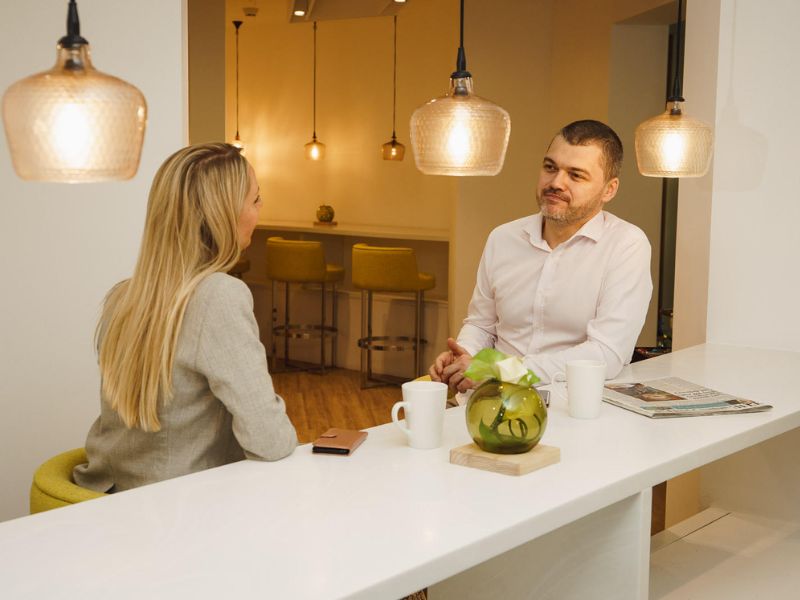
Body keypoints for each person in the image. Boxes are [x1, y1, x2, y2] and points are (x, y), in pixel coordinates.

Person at [74, 143, 298, 492]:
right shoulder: (218, 296)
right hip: (174, 513)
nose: (260, 210)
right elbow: (270, 441)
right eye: (255, 200)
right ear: (223, 215)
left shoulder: (121, 297)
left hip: (104, 499)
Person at [431, 120, 653, 393]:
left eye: (576, 175)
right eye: (550, 168)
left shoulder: (626, 245)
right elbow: (482, 325)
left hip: (569, 409)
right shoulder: (503, 238)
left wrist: (499, 372)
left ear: (609, 189)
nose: (556, 182)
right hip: (486, 401)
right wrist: (462, 357)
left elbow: (606, 354)